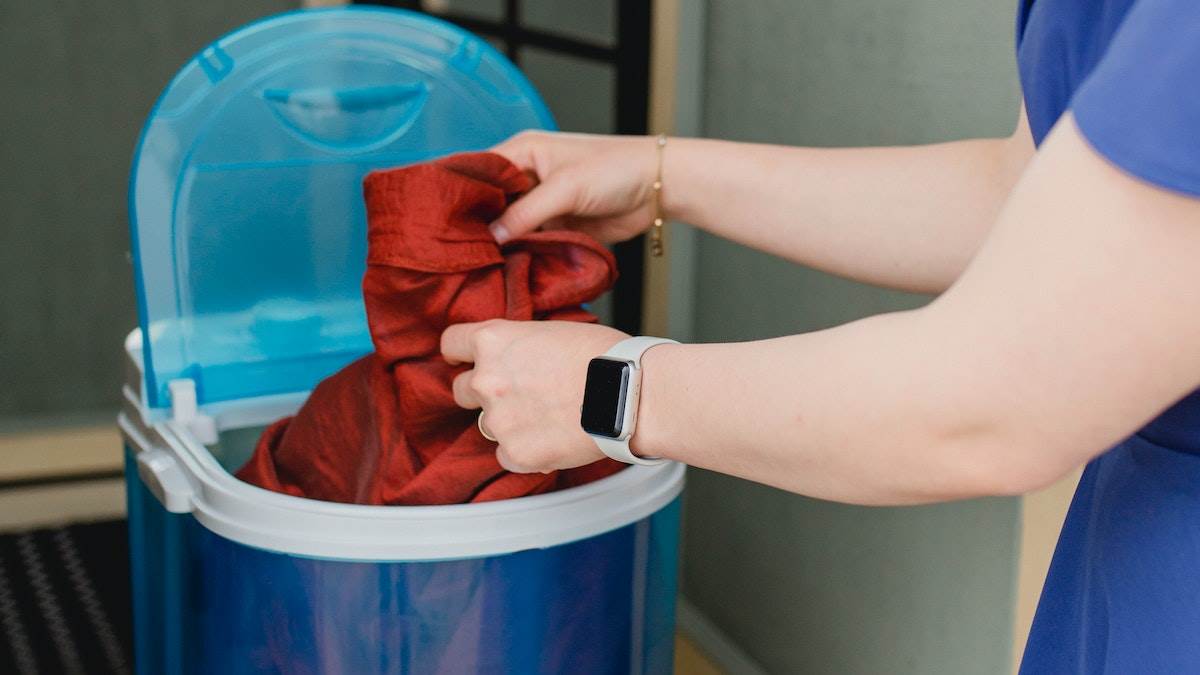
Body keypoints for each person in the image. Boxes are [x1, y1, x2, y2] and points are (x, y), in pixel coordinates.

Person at [440, 0, 1200, 671]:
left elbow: (992, 403)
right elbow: (1020, 197)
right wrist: (660, 173)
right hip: (1130, 546)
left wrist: (612, 392)